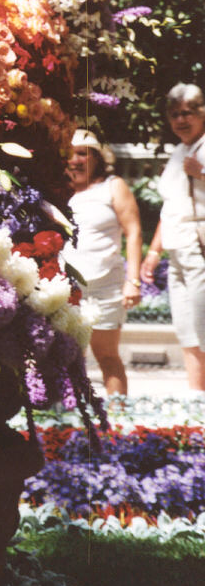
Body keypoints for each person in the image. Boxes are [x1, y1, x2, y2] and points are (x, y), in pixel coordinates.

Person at [62, 129, 143, 396]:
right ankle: (68, 425)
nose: (75, 160)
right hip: (66, 289)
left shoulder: (113, 186)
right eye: (70, 154)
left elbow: (133, 232)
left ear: (96, 158)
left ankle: (118, 423)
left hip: (106, 286)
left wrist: (133, 281)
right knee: (68, 359)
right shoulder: (57, 190)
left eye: (83, 154)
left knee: (107, 357)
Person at [140, 83, 205, 394]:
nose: (181, 120)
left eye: (188, 113)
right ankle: (196, 402)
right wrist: (153, 252)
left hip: (201, 247)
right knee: (187, 330)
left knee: (204, 328)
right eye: (175, 114)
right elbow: (170, 207)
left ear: (202, 113)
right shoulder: (179, 151)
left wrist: (203, 174)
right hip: (177, 250)